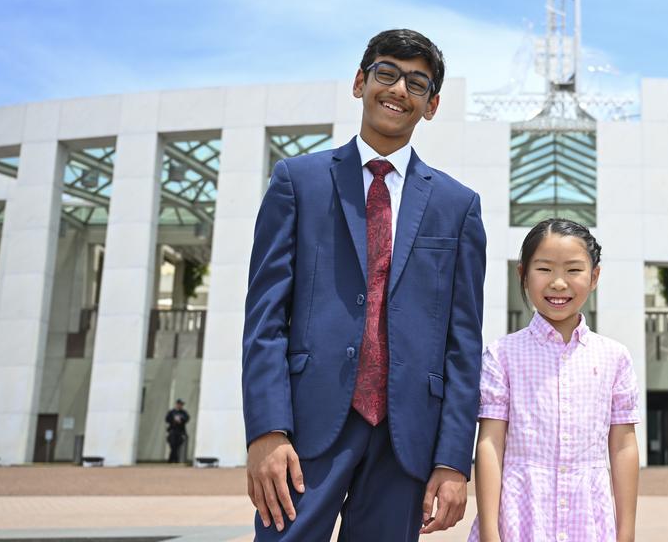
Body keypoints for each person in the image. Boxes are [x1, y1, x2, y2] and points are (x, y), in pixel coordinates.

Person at [242, 29, 486, 540]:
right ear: (360, 82)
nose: (399, 90)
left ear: (431, 104)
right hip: (306, 428)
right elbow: (265, 317)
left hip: (407, 438)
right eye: (387, 73)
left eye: (417, 83)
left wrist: (452, 460)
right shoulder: (297, 181)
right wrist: (267, 429)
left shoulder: (457, 206)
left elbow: (463, 344)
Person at [468, 218, 640, 542]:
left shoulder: (614, 357)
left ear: (595, 277)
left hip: (590, 521)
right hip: (519, 519)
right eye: (544, 269)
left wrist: (626, 532)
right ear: (522, 274)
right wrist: (491, 531)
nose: (558, 283)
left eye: (574, 270)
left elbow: (623, 446)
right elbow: (491, 443)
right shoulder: (501, 356)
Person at [165, 399, 190, 463]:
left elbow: (187, 418)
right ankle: (175, 459)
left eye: (181, 405)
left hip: (180, 431)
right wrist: (174, 420)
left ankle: (171, 459)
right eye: (179, 404)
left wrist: (181, 420)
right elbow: (167, 419)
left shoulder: (184, 412)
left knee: (177, 444)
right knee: (173, 444)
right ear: (176, 404)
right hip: (172, 430)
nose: (180, 406)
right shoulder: (171, 412)